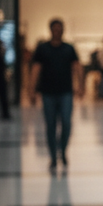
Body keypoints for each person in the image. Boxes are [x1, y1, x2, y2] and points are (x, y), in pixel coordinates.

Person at [30, 19, 82, 173]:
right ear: (51, 30)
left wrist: (81, 86)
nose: (57, 31)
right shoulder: (42, 49)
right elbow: (35, 69)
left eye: (60, 28)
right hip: (48, 94)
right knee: (50, 125)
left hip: (66, 92)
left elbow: (77, 67)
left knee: (66, 123)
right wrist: (31, 89)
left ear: (63, 30)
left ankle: (63, 150)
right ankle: (53, 156)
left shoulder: (69, 49)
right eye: (55, 28)